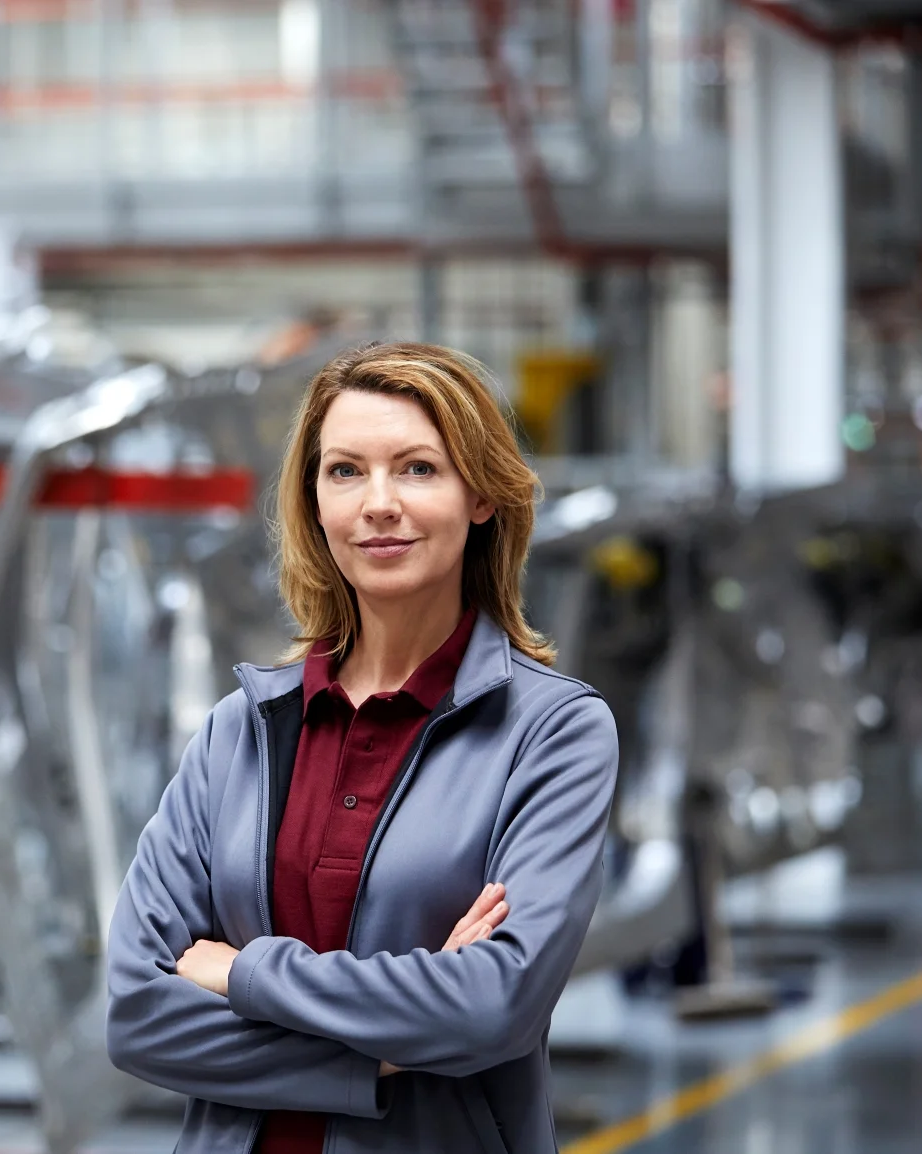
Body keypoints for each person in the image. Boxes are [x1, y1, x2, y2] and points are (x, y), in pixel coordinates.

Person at [106, 342, 619, 1153]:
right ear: (313, 501)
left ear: (481, 494)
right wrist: (383, 1057)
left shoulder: (552, 732)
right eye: (345, 471)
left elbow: (494, 1007)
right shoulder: (238, 732)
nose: (378, 503)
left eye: (417, 468)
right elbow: (138, 1015)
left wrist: (243, 973)